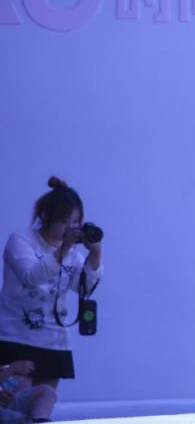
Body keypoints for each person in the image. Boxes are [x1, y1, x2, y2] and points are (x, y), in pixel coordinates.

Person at [0, 178, 102, 421]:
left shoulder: (73, 254)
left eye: (76, 222)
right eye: (64, 221)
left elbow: (84, 288)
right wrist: (63, 250)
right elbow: (30, 277)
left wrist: (96, 254)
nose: (71, 228)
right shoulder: (21, 241)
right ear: (46, 216)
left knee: (44, 403)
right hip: (16, 337)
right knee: (12, 407)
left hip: (54, 341)